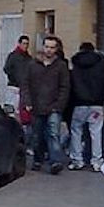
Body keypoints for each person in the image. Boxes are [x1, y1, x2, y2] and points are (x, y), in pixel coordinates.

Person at [20, 35, 71, 174]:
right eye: (47, 47)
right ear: (43, 47)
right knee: (37, 136)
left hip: (54, 107)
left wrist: (59, 105)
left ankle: (55, 162)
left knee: (53, 134)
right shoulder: (32, 65)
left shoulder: (61, 66)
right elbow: (25, 85)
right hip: (36, 106)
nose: (49, 50)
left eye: (52, 47)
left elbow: (65, 87)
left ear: (56, 49)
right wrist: (27, 102)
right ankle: (38, 159)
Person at [67, 41, 104, 170]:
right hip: (96, 104)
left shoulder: (74, 63)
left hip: (78, 103)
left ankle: (77, 160)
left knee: (76, 131)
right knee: (96, 132)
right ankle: (97, 161)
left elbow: (70, 85)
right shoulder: (101, 63)